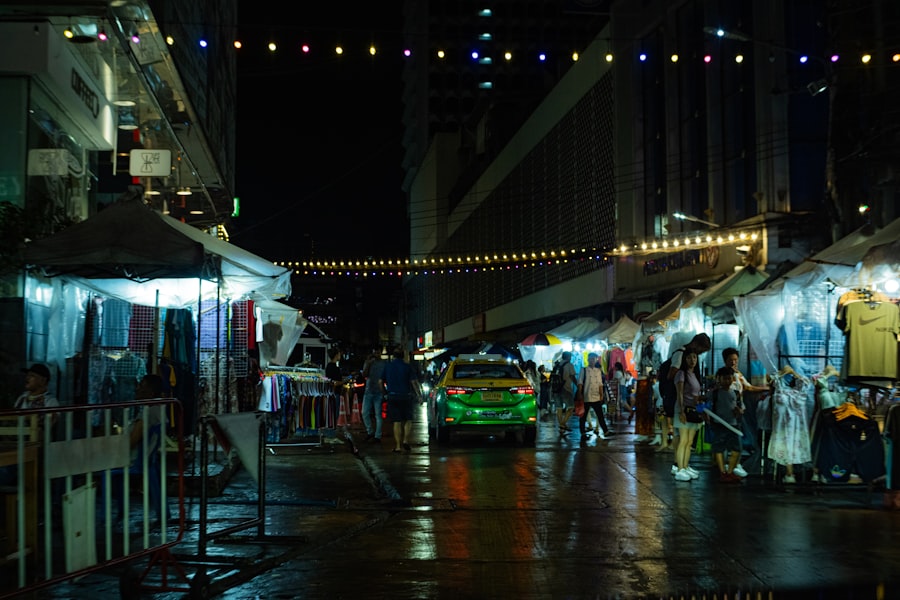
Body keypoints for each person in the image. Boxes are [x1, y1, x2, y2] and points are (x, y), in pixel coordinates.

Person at [0, 364, 60, 485]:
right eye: (27, 375)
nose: (27, 378)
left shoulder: (50, 401)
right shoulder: (22, 398)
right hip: (15, 444)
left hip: (35, 448)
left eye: (32, 376)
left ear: (43, 381)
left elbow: (49, 424)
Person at [660, 333, 711, 456]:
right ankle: (678, 465)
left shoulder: (687, 356)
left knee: (685, 438)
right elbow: (671, 375)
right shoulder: (681, 354)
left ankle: (681, 464)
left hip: (686, 400)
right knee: (680, 435)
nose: (699, 355)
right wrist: (683, 381)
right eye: (701, 350)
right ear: (695, 344)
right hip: (678, 400)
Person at [721, 347, 767, 478]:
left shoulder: (739, 374)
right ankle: (729, 466)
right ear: (725, 360)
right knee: (730, 438)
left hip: (739, 411)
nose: (734, 362)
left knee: (736, 437)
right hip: (728, 412)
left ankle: (733, 464)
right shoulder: (724, 375)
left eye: (736, 359)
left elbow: (748, 387)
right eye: (731, 360)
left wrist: (765, 388)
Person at [380, 348, 420, 454]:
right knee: (408, 419)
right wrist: (419, 396)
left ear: (393, 356)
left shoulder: (387, 366)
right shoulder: (407, 367)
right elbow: (414, 382)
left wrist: (385, 393)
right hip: (406, 396)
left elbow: (380, 381)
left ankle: (398, 447)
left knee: (396, 422)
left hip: (392, 396)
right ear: (403, 356)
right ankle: (405, 440)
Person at [708, 367, 744, 483]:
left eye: (729, 378)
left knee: (737, 449)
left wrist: (739, 411)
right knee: (719, 448)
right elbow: (704, 404)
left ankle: (730, 472)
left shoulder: (736, 393)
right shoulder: (714, 394)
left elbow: (742, 408)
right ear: (719, 379)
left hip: (734, 425)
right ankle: (723, 472)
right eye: (725, 378)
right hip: (719, 425)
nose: (727, 381)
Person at [673, 350, 704, 482]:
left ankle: (685, 466)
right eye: (690, 357)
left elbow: (696, 396)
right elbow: (679, 393)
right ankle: (680, 468)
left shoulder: (695, 374)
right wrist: (681, 411)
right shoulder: (681, 373)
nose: (692, 360)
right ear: (684, 360)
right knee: (684, 440)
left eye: (694, 357)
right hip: (684, 410)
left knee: (689, 441)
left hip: (693, 410)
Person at [577, 352, 614, 440]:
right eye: (590, 359)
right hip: (586, 396)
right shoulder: (584, 370)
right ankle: (582, 433)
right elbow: (580, 382)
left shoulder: (598, 371)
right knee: (583, 416)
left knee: (600, 415)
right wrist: (579, 393)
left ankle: (605, 431)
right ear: (588, 360)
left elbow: (600, 384)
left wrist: (601, 395)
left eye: (593, 359)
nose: (592, 360)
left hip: (596, 396)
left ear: (596, 359)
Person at [361, 351, 386, 443]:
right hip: (369, 390)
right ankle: (370, 431)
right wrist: (368, 364)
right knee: (364, 412)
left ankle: (377, 435)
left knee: (378, 414)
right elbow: (364, 374)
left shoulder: (384, 364)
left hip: (378, 391)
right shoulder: (368, 362)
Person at [554, 352, 577, 435]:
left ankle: (561, 428)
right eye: (570, 356)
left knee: (559, 408)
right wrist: (577, 385)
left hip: (555, 388)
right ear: (568, 357)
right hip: (565, 388)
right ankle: (562, 424)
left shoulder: (557, 364)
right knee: (571, 407)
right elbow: (572, 376)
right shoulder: (569, 365)